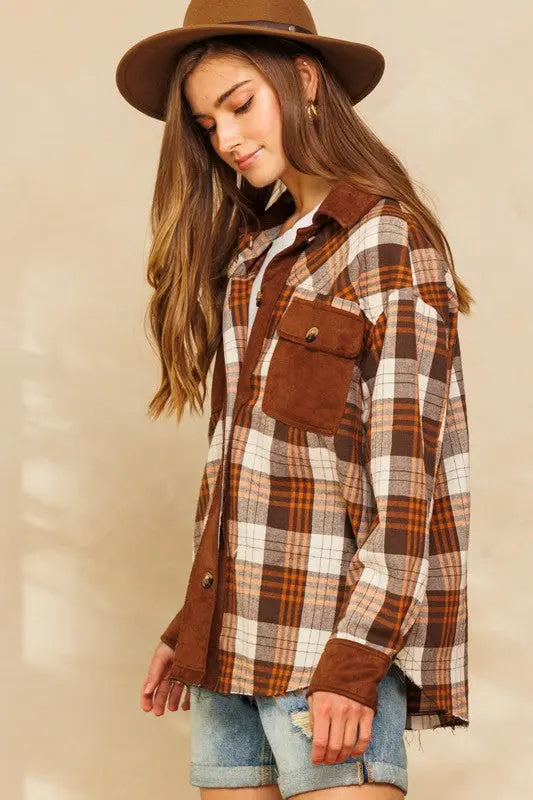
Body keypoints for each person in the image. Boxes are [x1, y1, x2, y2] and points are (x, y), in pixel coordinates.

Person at [116, 1, 472, 797]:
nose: (227, 138)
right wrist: (190, 624)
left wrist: (355, 661)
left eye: (240, 104)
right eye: (207, 124)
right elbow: (246, 469)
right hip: (226, 654)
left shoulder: (385, 240)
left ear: (305, 80)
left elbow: (405, 483)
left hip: (326, 651)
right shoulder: (253, 259)